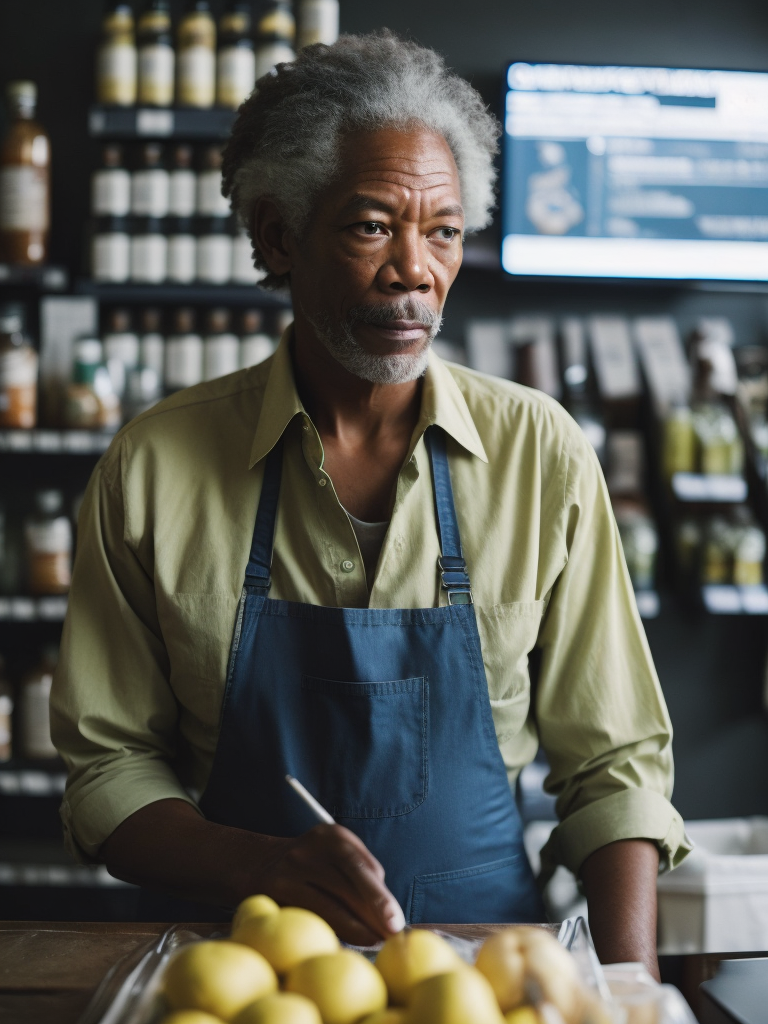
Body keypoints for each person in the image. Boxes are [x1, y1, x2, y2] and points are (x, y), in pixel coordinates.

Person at [51, 30, 689, 975]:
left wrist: (630, 994)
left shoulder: (540, 452)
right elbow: (108, 770)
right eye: (370, 225)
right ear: (277, 234)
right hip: (242, 969)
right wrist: (258, 862)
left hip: (485, 973)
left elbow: (616, 769)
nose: (414, 273)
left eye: (443, 231)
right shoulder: (157, 465)